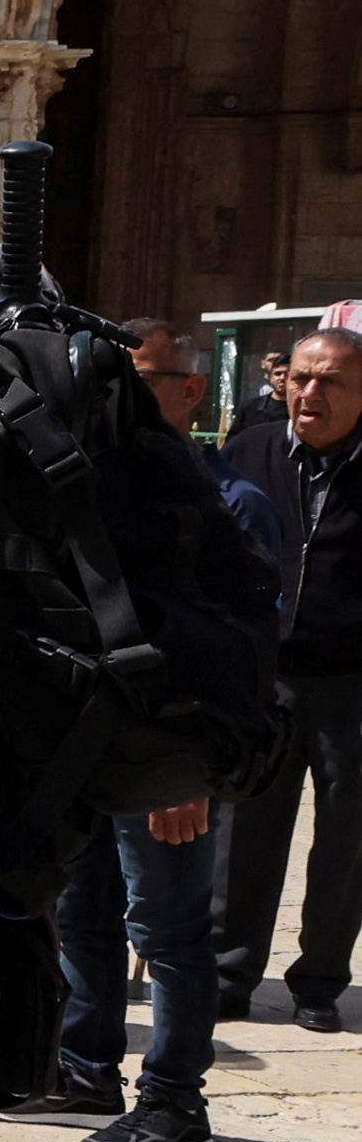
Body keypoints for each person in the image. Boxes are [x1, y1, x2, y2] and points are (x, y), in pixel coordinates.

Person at [12, 319, 258, 1142]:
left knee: (170, 931)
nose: (119, 392)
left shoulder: (225, 495)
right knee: (86, 915)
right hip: (98, 748)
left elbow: (235, 642)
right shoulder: (104, 485)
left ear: (193, 390)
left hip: (167, 756)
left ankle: (175, 1102)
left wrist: (191, 765)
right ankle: (86, 1072)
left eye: (142, 376)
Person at [212, 324, 362, 1030]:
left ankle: (320, 982)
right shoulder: (249, 453)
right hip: (263, 677)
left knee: (346, 833)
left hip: (350, 683)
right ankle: (229, 974)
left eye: (329, 381)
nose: (308, 393)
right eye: (300, 378)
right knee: (245, 827)